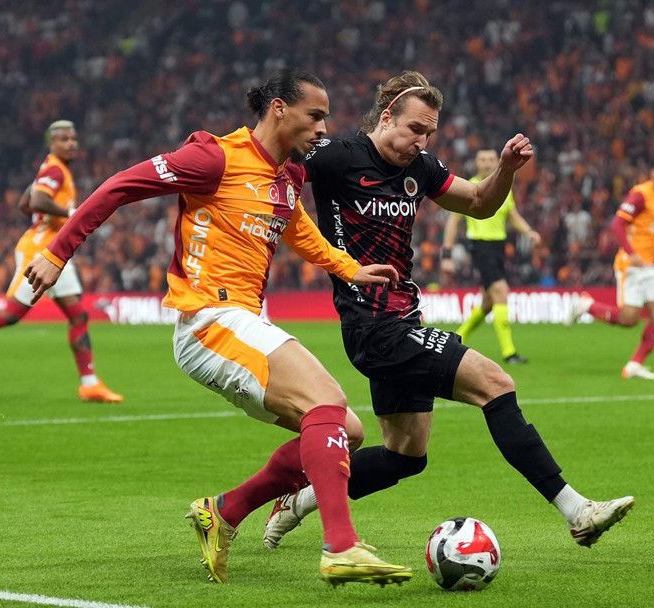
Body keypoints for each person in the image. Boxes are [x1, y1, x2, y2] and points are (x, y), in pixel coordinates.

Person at [23, 69, 410, 586]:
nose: (323, 128)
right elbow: (119, 186)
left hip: (245, 319)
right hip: (208, 318)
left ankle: (224, 512)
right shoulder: (214, 158)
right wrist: (56, 252)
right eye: (315, 115)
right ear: (279, 108)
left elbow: (301, 233)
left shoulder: (288, 176)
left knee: (347, 430)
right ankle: (341, 547)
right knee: (327, 401)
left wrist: (350, 268)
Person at [263, 71, 633, 552]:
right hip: (372, 326)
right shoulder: (337, 157)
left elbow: (479, 202)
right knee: (495, 383)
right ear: (387, 116)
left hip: (402, 322)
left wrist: (506, 169)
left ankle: (297, 501)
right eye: (415, 129)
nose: (422, 141)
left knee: (405, 456)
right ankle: (577, 510)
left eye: (430, 133)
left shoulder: (421, 168)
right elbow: (270, 160)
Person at [0, 120, 123, 403]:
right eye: (64, 139)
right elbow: (37, 201)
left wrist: (49, 217)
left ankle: (90, 384)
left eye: (73, 138)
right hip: (39, 253)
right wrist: (70, 214)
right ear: (52, 143)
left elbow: (25, 203)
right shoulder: (55, 170)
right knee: (12, 314)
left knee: (78, 315)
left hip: (56, 250)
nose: (71, 143)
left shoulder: (51, 168)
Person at [569, 161, 654, 379]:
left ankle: (635, 365)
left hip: (653, 266)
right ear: (652, 173)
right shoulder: (640, 194)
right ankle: (587, 305)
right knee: (629, 319)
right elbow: (617, 224)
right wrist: (632, 253)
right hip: (631, 264)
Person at [440, 148, 542, 364]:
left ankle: (455, 338)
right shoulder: (467, 187)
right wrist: (446, 255)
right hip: (480, 246)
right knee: (500, 291)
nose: (487, 163)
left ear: (498, 161)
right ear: (476, 163)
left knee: (488, 302)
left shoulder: (503, 185)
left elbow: (512, 215)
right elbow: (453, 222)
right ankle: (509, 352)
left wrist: (529, 232)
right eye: (482, 159)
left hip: (498, 247)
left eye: (490, 159)